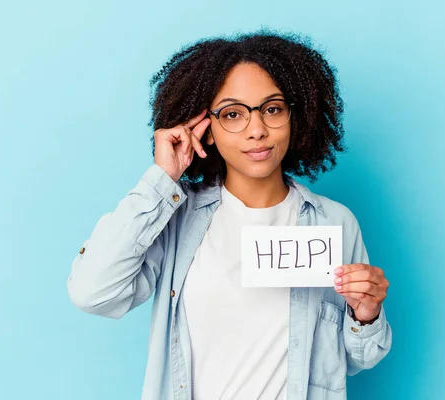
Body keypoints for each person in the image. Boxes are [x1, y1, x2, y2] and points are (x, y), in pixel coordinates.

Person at [67, 30, 392, 400]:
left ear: (295, 115)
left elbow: (359, 358)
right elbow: (92, 292)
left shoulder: (335, 222)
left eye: (272, 109)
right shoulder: (176, 218)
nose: (257, 130)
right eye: (233, 114)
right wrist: (162, 178)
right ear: (205, 128)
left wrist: (366, 314)